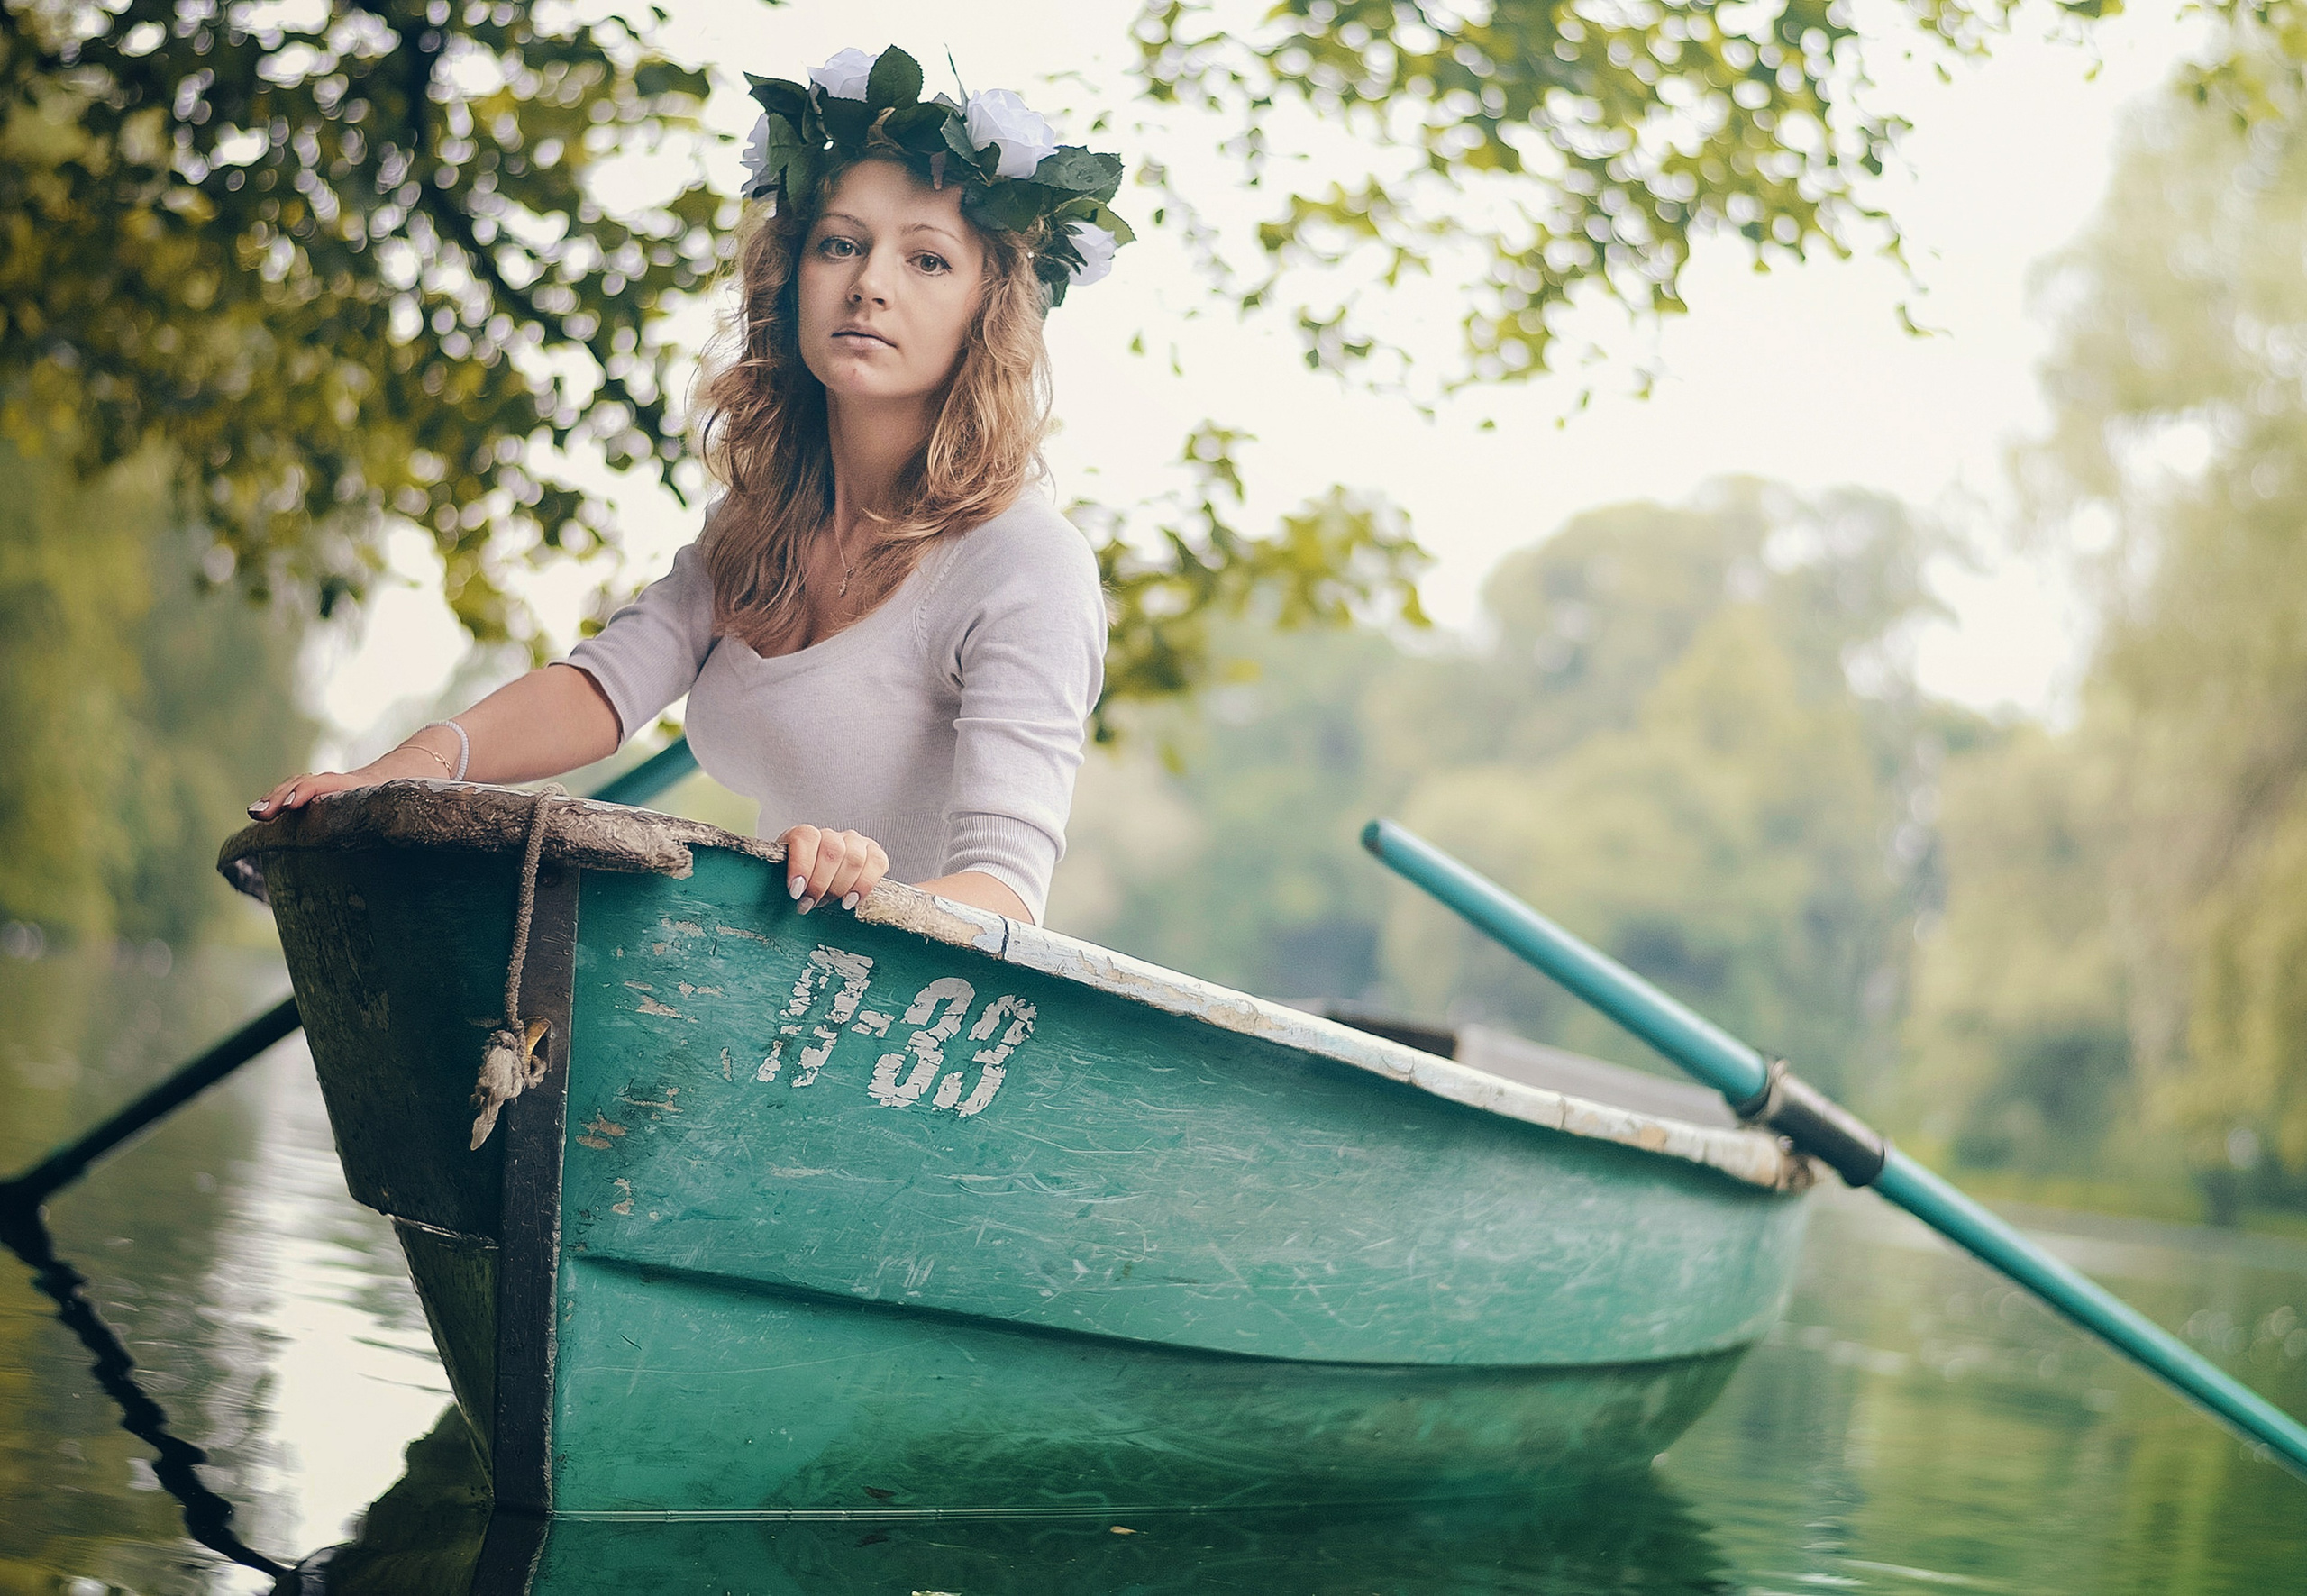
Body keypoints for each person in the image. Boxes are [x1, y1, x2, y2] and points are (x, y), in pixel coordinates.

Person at [250, 47, 1133, 928]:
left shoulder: (1028, 565)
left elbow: (1007, 895)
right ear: (794, 279)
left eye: (927, 260)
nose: (869, 284)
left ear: (987, 308)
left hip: (909, 1035)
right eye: (840, 244)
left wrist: (870, 887)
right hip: (762, 981)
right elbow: (604, 687)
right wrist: (405, 767)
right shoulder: (757, 524)